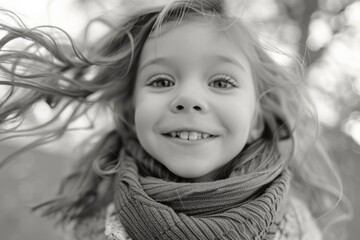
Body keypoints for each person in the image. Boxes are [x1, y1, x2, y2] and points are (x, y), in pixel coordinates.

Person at [0, 0, 351, 239]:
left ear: (257, 119)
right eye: (162, 81)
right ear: (131, 109)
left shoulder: (297, 226)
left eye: (221, 82)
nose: (188, 99)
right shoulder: (97, 223)